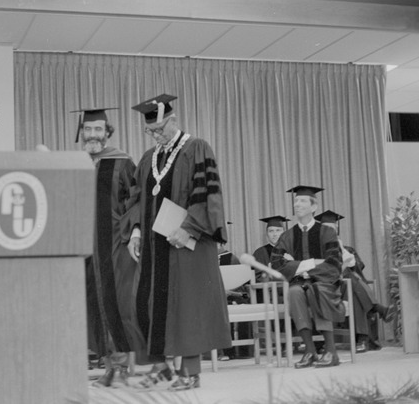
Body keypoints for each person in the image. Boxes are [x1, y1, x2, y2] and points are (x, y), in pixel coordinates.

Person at [124, 94, 231, 391]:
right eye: (151, 131)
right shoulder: (148, 159)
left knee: (187, 308)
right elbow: (135, 201)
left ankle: (190, 372)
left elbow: (207, 193)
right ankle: (161, 368)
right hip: (154, 250)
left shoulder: (197, 148)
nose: (156, 135)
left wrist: (190, 229)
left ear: (173, 120)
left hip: (186, 246)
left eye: (160, 128)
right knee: (142, 303)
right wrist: (135, 231)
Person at [72, 107, 142, 388]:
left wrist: (135, 231)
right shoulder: (73, 163)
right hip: (84, 247)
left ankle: (122, 367)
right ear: (82, 134)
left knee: (116, 303)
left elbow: (136, 199)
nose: (93, 135)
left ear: (107, 132)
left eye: (98, 129)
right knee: (95, 304)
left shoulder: (121, 161)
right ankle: (109, 365)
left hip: (114, 244)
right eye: (88, 130)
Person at [268, 186, 345, 369]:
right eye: (296, 201)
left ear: (313, 207)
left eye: (302, 201)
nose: (297, 205)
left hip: (324, 283)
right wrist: (309, 264)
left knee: (315, 290)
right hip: (298, 283)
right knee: (294, 293)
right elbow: (277, 263)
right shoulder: (287, 235)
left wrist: (298, 266)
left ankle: (331, 352)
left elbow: (334, 262)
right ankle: (309, 351)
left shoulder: (327, 232)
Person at [314, 210, 396, 353]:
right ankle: (377, 311)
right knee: (351, 281)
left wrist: (341, 251)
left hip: (346, 288)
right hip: (328, 288)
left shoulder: (347, 249)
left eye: (332, 229)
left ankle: (364, 338)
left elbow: (358, 268)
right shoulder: (317, 252)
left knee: (352, 286)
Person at [253, 216, 288, 281]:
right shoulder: (260, 253)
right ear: (267, 234)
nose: (274, 234)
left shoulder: (291, 250)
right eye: (271, 231)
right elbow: (257, 277)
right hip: (271, 289)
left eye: (278, 230)